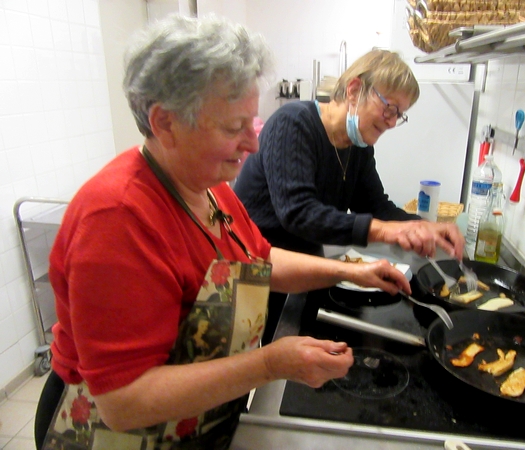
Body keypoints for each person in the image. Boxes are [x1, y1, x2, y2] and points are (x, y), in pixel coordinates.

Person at [34, 15, 413, 450]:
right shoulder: (117, 217)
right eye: (234, 128)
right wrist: (270, 363)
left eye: (250, 123)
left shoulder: (210, 189)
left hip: (190, 425)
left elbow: (260, 260)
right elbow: (124, 401)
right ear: (165, 123)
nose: (252, 144)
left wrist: (348, 272)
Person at [234, 49, 465, 341]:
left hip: (303, 268)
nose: (393, 122)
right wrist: (386, 232)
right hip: (258, 271)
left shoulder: (359, 146)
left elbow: (376, 206)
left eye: (400, 115)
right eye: (390, 108)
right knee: (252, 363)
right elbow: (298, 213)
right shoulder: (292, 123)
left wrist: (423, 226)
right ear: (355, 90)